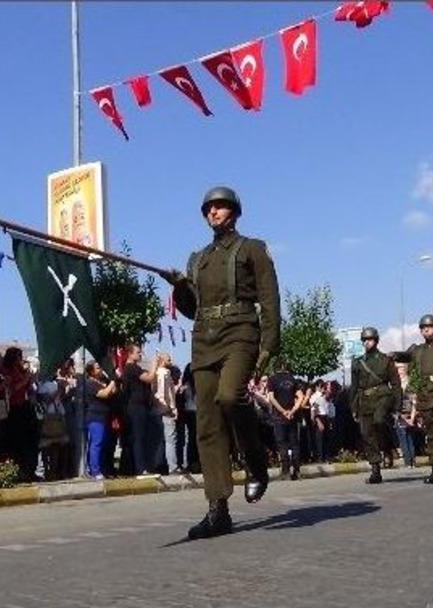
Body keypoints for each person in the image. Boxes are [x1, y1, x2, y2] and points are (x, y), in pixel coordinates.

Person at [162, 185, 281, 540]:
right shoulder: (197, 259)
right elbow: (189, 309)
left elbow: (270, 300)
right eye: (209, 208)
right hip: (204, 339)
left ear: (234, 212)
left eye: (220, 207)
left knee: (231, 396)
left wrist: (268, 345)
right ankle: (218, 510)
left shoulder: (253, 249)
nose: (213, 212)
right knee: (208, 425)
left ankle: (255, 461)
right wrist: (178, 286)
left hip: (241, 333)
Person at [394, 314, 433, 484]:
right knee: (431, 432)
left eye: (428, 327)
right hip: (424, 393)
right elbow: (405, 356)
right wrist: (393, 356)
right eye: (422, 328)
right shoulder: (417, 350)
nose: (425, 330)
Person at [349, 327, 403, 485]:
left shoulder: (386, 360)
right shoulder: (358, 362)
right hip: (364, 400)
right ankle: (375, 470)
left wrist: (397, 406)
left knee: (379, 421)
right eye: (365, 340)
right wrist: (353, 407)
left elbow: (396, 384)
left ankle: (388, 448)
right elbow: (353, 387)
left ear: (376, 340)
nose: (367, 342)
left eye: (370, 339)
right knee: (367, 435)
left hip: (382, 396)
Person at [121, 345, 158, 476]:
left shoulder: (136, 368)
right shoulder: (131, 368)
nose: (140, 354)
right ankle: (140, 469)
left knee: (141, 437)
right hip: (135, 407)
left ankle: (140, 467)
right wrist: (154, 365)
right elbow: (149, 378)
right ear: (130, 354)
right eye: (138, 352)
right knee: (138, 438)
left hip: (141, 406)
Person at [0, 347, 35, 479]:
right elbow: (12, 389)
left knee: (26, 441)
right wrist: (25, 379)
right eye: (19, 357)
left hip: (23, 405)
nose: (20, 360)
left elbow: (28, 388)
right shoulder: (6, 370)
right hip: (13, 407)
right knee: (15, 441)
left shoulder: (20, 370)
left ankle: (28, 470)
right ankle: (16, 470)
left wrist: (30, 379)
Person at [81, 360, 117, 480]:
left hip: (105, 415)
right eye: (97, 368)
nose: (100, 369)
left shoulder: (103, 381)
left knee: (105, 443)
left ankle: (103, 468)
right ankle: (94, 470)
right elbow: (104, 394)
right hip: (95, 416)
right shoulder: (90, 383)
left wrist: (111, 381)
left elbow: (113, 391)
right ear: (91, 371)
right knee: (97, 442)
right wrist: (113, 381)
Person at [267, 361, 300, 479]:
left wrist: (282, 411)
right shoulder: (292, 379)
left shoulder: (272, 379)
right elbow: (300, 396)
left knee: (282, 443)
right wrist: (292, 411)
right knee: (294, 443)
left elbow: (271, 397)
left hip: (279, 416)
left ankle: (285, 470)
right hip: (292, 416)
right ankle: (296, 470)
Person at [152, 353, 181, 474]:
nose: (171, 361)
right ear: (163, 361)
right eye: (169, 359)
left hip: (158, 409)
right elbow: (163, 392)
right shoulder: (164, 373)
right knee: (171, 439)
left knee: (161, 439)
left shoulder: (156, 373)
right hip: (166, 409)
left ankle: (160, 464)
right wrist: (169, 408)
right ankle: (173, 466)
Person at [178, 363, 199, 473]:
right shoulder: (196, 385)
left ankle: (192, 462)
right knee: (197, 438)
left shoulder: (185, 385)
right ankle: (196, 462)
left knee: (191, 438)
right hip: (196, 411)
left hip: (189, 411)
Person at [310, 380, 334, 463]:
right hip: (319, 417)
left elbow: (329, 410)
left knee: (327, 438)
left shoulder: (328, 399)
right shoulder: (318, 398)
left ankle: (327, 456)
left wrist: (330, 421)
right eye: (327, 389)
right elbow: (314, 410)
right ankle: (320, 457)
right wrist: (318, 421)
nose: (328, 391)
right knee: (319, 439)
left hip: (326, 418)